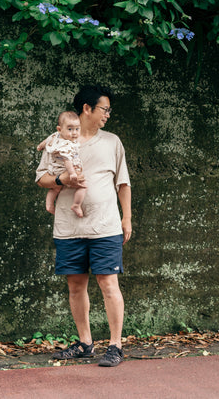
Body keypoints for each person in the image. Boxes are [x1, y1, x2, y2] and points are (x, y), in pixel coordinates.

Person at [36, 85, 132, 367]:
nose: (108, 115)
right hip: (69, 228)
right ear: (87, 109)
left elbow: (123, 183)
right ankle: (85, 343)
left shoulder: (112, 142)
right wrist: (62, 181)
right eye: (104, 109)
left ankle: (115, 345)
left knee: (108, 283)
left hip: (105, 227)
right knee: (76, 286)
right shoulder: (58, 140)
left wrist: (126, 217)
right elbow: (41, 178)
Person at [37, 111, 86, 217]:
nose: (74, 133)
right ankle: (76, 205)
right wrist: (72, 173)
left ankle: (49, 204)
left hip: (54, 168)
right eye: (70, 129)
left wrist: (40, 146)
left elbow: (47, 140)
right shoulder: (66, 145)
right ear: (60, 129)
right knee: (83, 186)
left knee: (56, 188)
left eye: (77, 129)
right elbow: (67, 160)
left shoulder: (56, 136)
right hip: (63, 169)